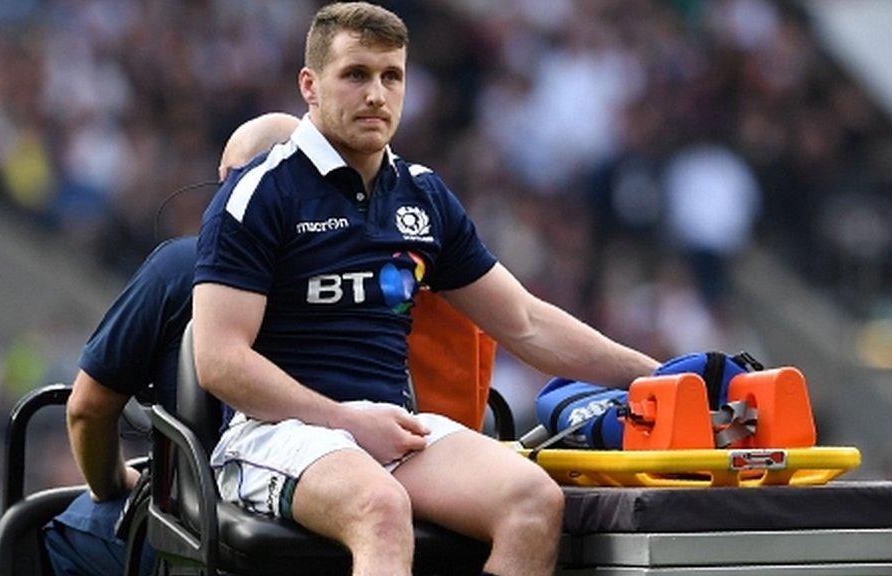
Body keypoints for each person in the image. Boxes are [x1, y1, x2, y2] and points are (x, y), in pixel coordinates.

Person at [192, 4, 661, 576]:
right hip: (273, 432)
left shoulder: (423, 196)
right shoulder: (259, 193)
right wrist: (344, 419)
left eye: (392, 76)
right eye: (356, 74)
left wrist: (659, 377)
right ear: (310, 87)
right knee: (381, 509)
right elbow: (218, 361)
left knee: (534, 502)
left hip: (389, 427)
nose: (376, 95)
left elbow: (526, 323)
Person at [43, 113, 300, 576]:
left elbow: (87, 409)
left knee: (44, 533)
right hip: (328, 522)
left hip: (210, 531)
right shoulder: (364, 283)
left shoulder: (183, 267)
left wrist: (112, 485)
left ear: (227, 182)